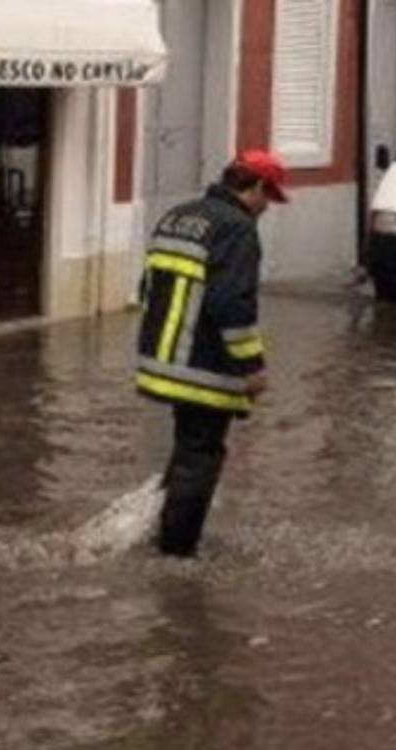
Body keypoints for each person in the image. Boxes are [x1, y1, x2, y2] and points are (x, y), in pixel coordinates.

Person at [135, 149, 289, 557]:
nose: (266, 208)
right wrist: (253, 367)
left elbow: (145, 288)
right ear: (254, 187)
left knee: (187, 449)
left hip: (160, 359)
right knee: (201, 455)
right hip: (201, 366)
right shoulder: (237, 229)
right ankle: (177, 555)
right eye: (267, 197)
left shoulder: (178, 215)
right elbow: (231, 305)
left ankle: (162, 531)